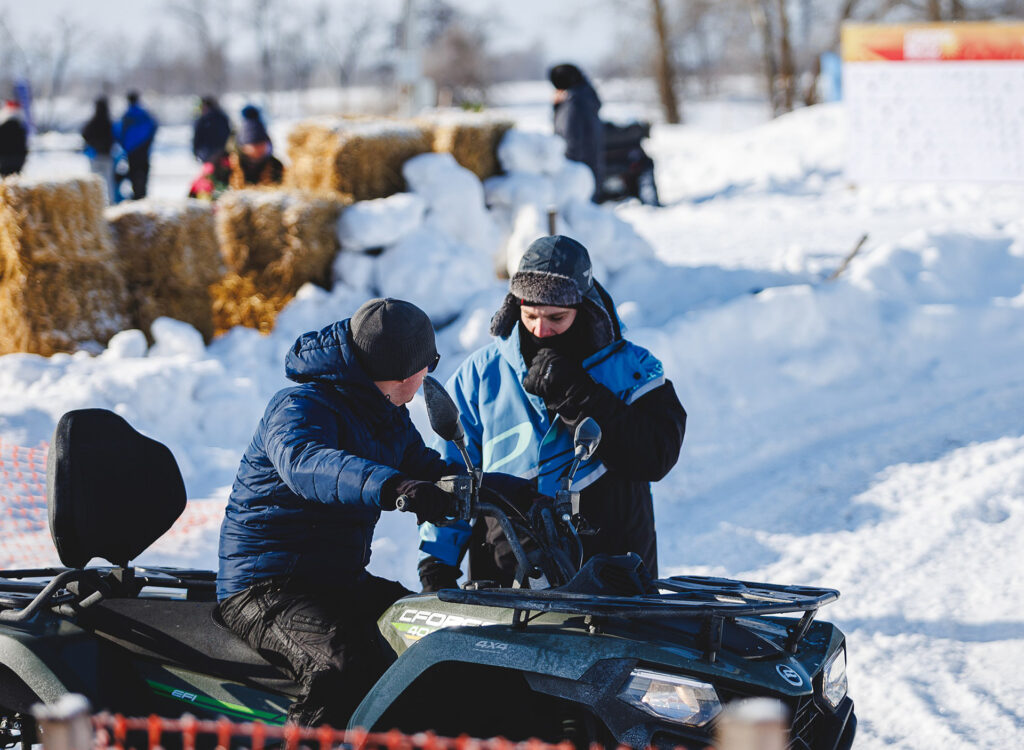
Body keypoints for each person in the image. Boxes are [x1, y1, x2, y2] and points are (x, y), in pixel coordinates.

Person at [217, 298, 462, 727]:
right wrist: (394, 485)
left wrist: (514, 495)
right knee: (341, 667)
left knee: (431, 636)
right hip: (265, 586)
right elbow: (307, 463)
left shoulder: (385, 416)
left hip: (337, 582)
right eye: (428, 366)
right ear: (405, 374)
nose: (428, 377)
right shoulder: (298, 407)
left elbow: (432, 471)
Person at [418, 235, 687, 592]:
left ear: (584, 306)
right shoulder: (479, 376)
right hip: (507, 576)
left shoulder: (633, 368)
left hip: (612, 575)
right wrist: (437, 562)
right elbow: (451, 472)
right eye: (530, 316)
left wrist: (583, 395)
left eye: (557, 317)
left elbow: (655, 456)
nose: (541, 331)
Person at [549, 63, 604, 199]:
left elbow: (569, 139)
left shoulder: (573, 104)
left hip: (577, 176)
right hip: (590, 171)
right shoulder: (586, 97)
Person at [114, 91, 158, 200]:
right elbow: (154, 127)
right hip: (144, 150)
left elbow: (118, 132)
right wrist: (148, 143)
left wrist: (125, 145)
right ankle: (142, 195)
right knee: (143, 175)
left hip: (131, 151)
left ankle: (136, 195)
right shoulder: (145, 115)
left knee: (134, 175)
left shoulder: (126, 116)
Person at [229, 104, 283, 188]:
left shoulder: (276, 166)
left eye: (262, 144)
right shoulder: (226, 165)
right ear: (243, 147)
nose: (259, 149)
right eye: (254, 145)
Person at [81, 97, 116, 203]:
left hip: (95, 156)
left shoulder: (92, 122)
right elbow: (117, 136)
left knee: (94, 181)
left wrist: (92, 145)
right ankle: (110, 203)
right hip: (107, 156)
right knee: (109, 182)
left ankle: (95, 203)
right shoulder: (110, 123)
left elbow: (84, 134)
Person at [192, 95, 232, 164]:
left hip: (207, 155)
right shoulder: (222, 117)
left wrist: (195, 152)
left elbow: (197, 137)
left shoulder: (202, 120)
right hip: (222, 153)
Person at [0, 99, 28, 177]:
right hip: (17, 160)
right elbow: (24, 144)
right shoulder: (21, 126)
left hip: (4, 159)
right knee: (15, 181)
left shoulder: (2, 126)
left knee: (6, 183)